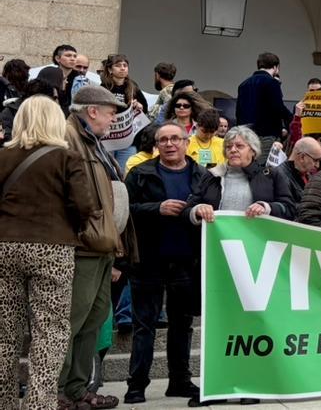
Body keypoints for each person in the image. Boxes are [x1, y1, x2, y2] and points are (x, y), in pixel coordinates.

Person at [0, 96, 100, 410]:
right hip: (52, 248)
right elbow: (84, 206)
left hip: (5, 246)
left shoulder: (2, 156)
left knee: (5, 331)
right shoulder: (67, 157)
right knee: (50, 329)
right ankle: (39, 403)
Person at [61, 86, 135, 410]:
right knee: (74, 320)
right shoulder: (69, 138)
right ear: (92, 111)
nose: (113, 119)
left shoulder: (93, 141)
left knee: (93, 320)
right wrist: (86, 231)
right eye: (110, 113)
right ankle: (59, 390)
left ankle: (78, 389)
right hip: (84, 246)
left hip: (103, 245)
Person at [123, 122, 206, 404]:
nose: (169, 144)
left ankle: (179, 381)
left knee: (182, 326)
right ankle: (136, 385)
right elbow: (124, 210)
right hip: (148, 261)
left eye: (175, 139)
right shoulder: (140, 174)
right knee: (144, 326)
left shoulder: (202, 175)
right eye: (163, 140)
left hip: (186, 262)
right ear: (156, 145)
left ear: (186, 142)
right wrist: (156, 209)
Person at [188, 126, 296, 225]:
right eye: (228, 147)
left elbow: (289, 209)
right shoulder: (212, 175)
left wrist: (267, 207)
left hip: (257, 238)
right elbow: (187, 209)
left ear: (253, 151)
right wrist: (198, 210)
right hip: (218, 238)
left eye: (239, 146)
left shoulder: (270, 175)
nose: (233, 150)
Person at [235, 53, 292, 150]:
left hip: (246, 135)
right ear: (275, 67)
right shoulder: (272, 82)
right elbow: (278, 107)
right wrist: (292, 118)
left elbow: (238, 112)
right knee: (265, 159)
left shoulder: (243, 85)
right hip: (266, 134)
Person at [278, 136, 321, 203]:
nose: (317, 165)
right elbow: (289, 206)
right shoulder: (280, 177)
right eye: (315, 160)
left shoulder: (307, 174)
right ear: (302, 157)